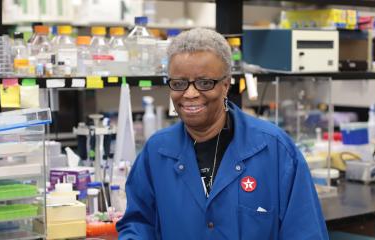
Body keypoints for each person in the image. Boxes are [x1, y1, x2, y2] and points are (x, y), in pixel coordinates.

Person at [116, 28, 328, 239]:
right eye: (179, 83)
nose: (190, 94)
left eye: (204, 83)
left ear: (226, 85)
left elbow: (305, 232)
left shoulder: (276, 150)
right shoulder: (156, 152)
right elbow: (138, 223)